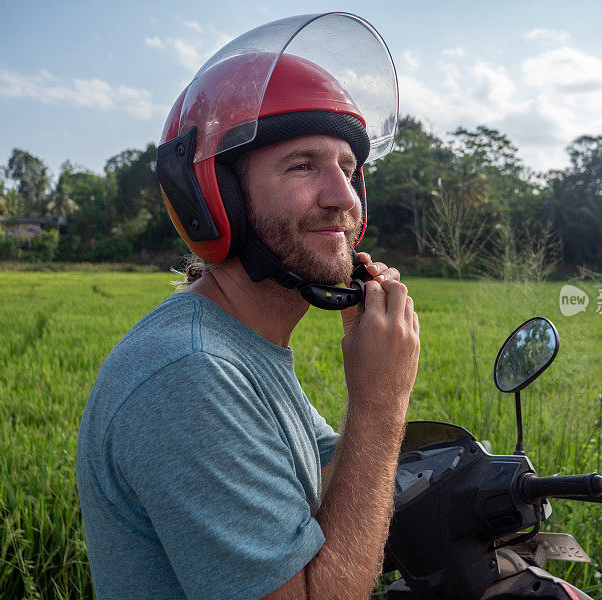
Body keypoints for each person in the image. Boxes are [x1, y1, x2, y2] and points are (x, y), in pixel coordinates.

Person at [75, 13, 419, 600]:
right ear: (215, 197)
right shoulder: (189, 375)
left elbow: (322, 498)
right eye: (303, 165)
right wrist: (380, 403)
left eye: (348, 169)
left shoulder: (244, 347)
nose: (343, 198)